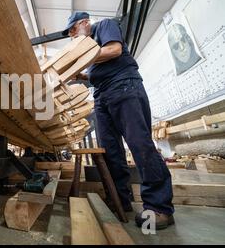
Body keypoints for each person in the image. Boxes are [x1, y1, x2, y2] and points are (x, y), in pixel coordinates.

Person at [62, 12, 175, 229]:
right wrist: (84, 76)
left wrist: (82, 58)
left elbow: (115, 50)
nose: (72, 36)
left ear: (84, 23)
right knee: (110, 151)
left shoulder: (104, 26)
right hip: (102, 96)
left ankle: (159, 207)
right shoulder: (90, 47)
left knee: (140, 144)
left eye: (73, 30)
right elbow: (99, 69)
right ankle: (120, 201)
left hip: (124, 87)